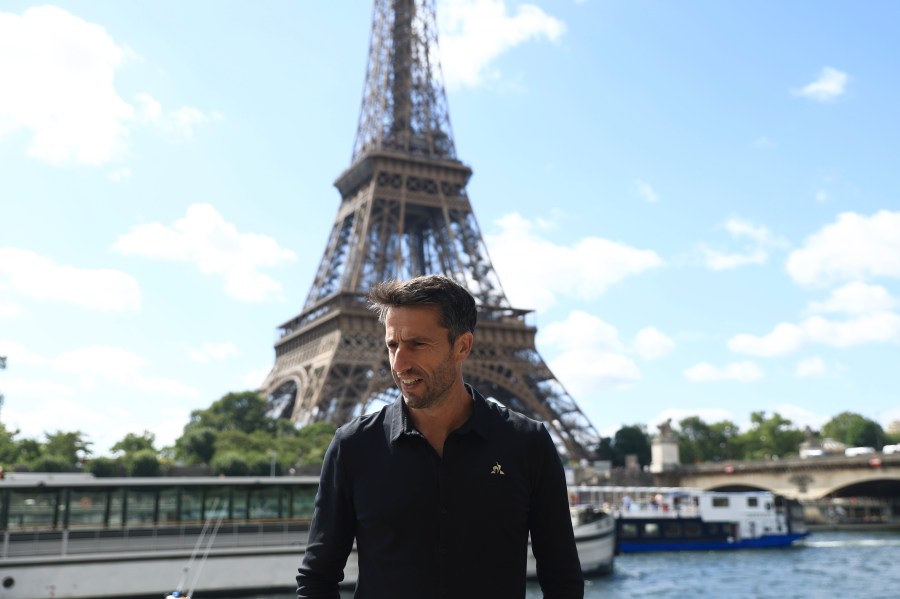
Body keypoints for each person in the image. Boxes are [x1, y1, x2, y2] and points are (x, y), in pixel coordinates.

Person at [297, 274, 583, 598]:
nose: (399, 363)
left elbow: (563, 579)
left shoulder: (528, 444)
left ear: (462, 346)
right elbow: (317, 578)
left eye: (417, 344)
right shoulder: (352, 447)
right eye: (393, 345)